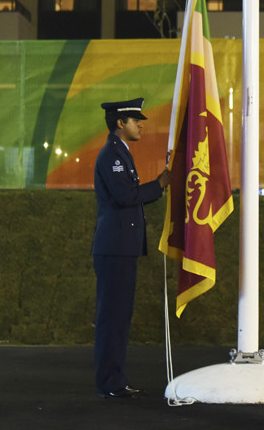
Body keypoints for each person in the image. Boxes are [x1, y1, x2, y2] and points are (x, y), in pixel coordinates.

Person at [91, 97, 170, 399]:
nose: (141, 125)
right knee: (112, 318)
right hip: (115, 250)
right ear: (120, 123)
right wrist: (161, 183)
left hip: (121, 248)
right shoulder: (112, 155)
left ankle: (115, 380)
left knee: (119, 317)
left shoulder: (121, 153)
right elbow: (126, 195)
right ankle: (109, 382)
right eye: (136, 121)